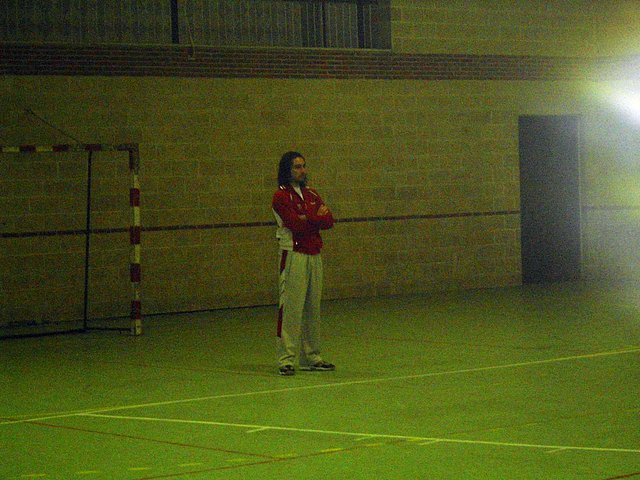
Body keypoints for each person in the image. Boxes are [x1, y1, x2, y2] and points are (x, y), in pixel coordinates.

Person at [272, 151, 336, 376]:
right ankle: (286, 359)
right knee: (291, 307)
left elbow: (328, 220)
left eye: (303, 166)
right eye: (297, 167)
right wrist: (313, 217)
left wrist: (308, 218)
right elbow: (294, 224)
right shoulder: (280, 197)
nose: (302, 171)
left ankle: (312, 356)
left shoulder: (311, 193)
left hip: (314, 253)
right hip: (293, 254)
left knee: (312, 306)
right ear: (287, 170)